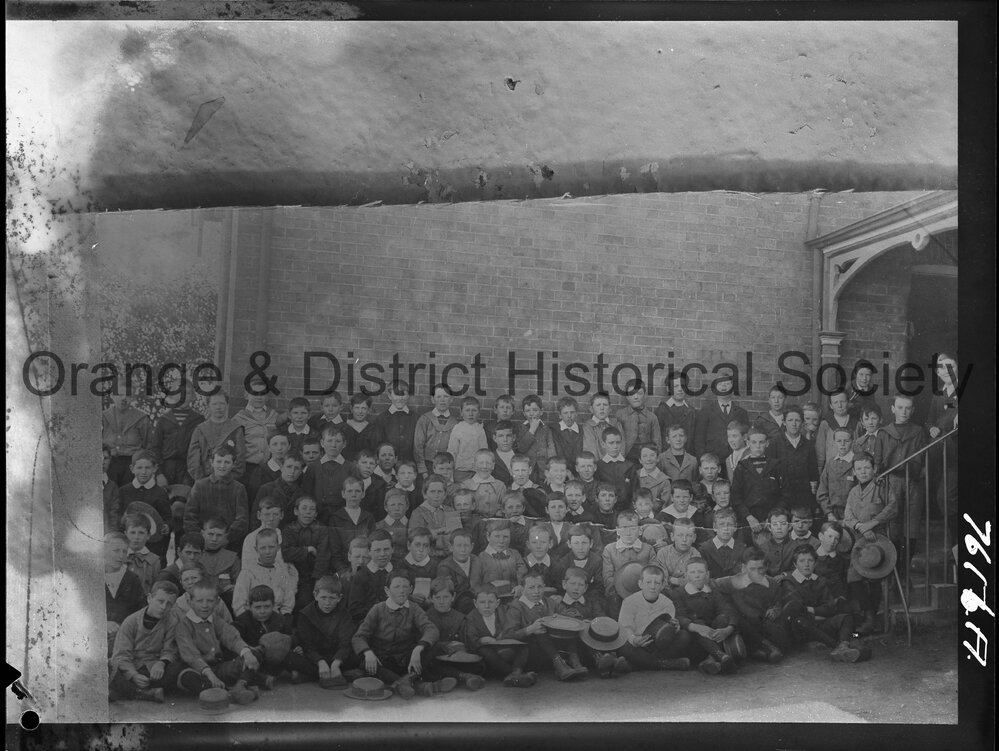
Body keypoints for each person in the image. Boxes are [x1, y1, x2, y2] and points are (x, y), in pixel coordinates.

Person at [351, 572, 455, 699]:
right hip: (383, 659)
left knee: (435, 647)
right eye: (397, 587)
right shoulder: (378, 609)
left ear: (410, 589)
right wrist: (368, 652)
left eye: (405, 587)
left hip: (407, 659)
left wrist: (418, 648)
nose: (401, 591)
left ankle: (402, 683)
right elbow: (359, 636)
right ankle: (420, 685)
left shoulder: (414, 608)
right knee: (365, 663)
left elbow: (430, 629)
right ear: (387, 590)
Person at [174, 577, 265, 701]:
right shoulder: (183, 625)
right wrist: (210, 674)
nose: (205, 605)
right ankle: (231, 692)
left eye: (210, 601)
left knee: (253, 653)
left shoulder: (215, 619)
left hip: (219, 667)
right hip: (198, 670)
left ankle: (240, 685)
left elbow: (231, 637)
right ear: (190, 602)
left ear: (217, 602)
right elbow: (191, 656)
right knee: (188, 678)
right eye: (199, 601)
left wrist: (247, 653)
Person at [779, 545, 867, 663]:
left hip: (819, 623)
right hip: (801, 628)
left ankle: (844, 645)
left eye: (810, 560)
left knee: (846, 617)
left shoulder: (820, 580)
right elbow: (797, 610)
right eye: (802, 561)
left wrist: (812, 610)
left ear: (815, 563)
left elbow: (830, 607)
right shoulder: (789, 581)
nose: (806, 564)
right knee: (800, 621)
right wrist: (821, 612)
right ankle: (836, 646)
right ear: (795, 564)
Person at [504, 568, 588, 681]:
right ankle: (560, 665)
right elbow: (507, 635)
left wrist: (562, 618)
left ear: (544, 586)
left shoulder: (550, 602)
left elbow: (569, 613)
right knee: (540, 629)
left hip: (553, 652)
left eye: (540, 587)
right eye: (531, 587)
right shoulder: (516, 607)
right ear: (523, 589)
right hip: (531, 654)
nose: (536, 591)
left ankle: (574, 663)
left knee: (568, 627)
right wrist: (530, 629)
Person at [872, 394, 927, 565]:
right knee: (893, 522)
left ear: (913, 410)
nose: (904, 411)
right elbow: (878, 461)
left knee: (912, 522)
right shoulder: (883, 433)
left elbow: (922, 458)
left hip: (913, 481)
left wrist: (916, 471)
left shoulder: (918, 431)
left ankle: (906, 566)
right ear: (893, 409)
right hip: (891, 481)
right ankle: (894, 565)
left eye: (908, 408)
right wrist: (878, 475)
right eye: (900, 407)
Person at [109, 580, 184, 703]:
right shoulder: (131, 621)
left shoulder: (172, 621)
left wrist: (162, 663)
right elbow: (121, 654)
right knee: (110, 668)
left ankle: (125, 690)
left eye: (169, 604)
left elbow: (170, 650)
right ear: (149, 598)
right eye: (160, 601)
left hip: (156, 670)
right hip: (132, 666)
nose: (164, 607)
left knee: (178, 669)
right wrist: (133, 675)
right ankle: (142, 693)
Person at [616, 565, 691, 671]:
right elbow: (625, 628)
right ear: (640, 584)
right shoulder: (629, 602)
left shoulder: (667, 603)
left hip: (659, 644)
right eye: (648, 582)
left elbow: (668, 630)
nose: (652, 586)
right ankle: (664, 664)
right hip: (638, 644)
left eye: (657, 583)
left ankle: (638, 665)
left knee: (684, 636)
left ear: (662, 585)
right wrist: (634, 639)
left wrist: (675, 628)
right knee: (623, 647)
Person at [672, 557, 739, 674]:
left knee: (723, 617)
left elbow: (729, 611)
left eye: (701, 572)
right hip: (693, 642)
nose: (697, 576)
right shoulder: (678, 593)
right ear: (686, 575)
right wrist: (697, 627)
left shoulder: (712, 592)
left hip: (714, 637)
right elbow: (679, 616)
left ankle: (710, 660)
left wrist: (728, 630)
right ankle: (719, 656)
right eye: (692, 572)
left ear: (707, 574)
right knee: (698, 622)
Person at [286, 575, 356, 687]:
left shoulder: (344, 614)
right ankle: (341, 675)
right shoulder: (305, 614)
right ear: (315, 595)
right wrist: (320, 662)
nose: (327, 603)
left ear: (339, 598)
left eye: (332, 598)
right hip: (314, 658)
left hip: (337, 656)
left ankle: (309, 676)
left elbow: (345, 643)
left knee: (361, 654)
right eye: (323, 597)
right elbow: (307, 645)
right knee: (288, 657)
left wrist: (336, 662)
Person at [724, 548, 789, 663]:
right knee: (735, 618)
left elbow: (778, 603)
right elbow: (712, 583)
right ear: (743, 568)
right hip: (745, 627)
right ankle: (768, 649)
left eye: (761, 569)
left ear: (766, 567)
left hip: (764, 624)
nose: (756, 573)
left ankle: (761, 652)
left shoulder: (772, 584)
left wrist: (775, 609)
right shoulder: (733, 582)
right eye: (752, 569)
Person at [464, 584, 534, 687]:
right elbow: (471, 641)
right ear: (475, 603)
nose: (487, 606)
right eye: (482, 602)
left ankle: (516, 672)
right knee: (484, 651)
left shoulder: (504, 612)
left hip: (506, 651)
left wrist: (502, 637)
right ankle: (514, 675)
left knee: (524, 646)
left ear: (497, 603)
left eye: (491, 602)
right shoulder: (471, 618)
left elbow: (512, 630)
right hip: (488, 661)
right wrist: (481, 640)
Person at [183, 444, 249, 553]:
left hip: (228, 544)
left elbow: (242, 520)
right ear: (211, 462)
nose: (222, 466)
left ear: (233, 464)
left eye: (227, 462)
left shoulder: (238, 488)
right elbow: (189, 517)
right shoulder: (200, 486)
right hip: (202, 543)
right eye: (219, 461)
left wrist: (226, 539)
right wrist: (201, 538)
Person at [423, 578, 485, 691]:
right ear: (431, 598)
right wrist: (445, 645)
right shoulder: (425, 617)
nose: (442, 602)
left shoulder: (460, 618)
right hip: (435, 657)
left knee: (479, 664)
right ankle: (465, 677)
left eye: (446, 597)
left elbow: (469, 640)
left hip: (456, 657)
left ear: (453, 597)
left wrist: (462, 648)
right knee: (430, 664)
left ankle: (457, 677)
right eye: (437, 598)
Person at [927, 352, 959, 546]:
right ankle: (954, 540)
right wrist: (931, 427)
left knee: (946, 497)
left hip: (957, 454)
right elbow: (930, 419)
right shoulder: (938, 395)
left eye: (951, 367)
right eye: (943, 368)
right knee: (942, 497)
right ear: (938, 373)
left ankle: (956, 541)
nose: (947, 371)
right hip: (940, 453)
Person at [118, 449, 173, 566]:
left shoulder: (160, 493)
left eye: (147, 468)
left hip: (153, 546)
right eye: (139, 468)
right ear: (132, 469)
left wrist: (167, 526)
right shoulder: (123, 491)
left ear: (155, 468)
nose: (143, 472)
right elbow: (118, 517)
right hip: (129, 545)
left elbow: (168, 518)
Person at [232, 585, 292, 688]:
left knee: (292, 656)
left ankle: (305, 673)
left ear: (273, 605)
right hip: (253, 660)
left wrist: (292, 645)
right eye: (258, 607)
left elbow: (289, 636)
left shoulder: (279, 620)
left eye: (267, 606)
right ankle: (252, 681)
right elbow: (234, 640)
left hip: (274, 661)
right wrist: (249, 650)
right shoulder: (242, 621)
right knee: (248, 660)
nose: (262, 611)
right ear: (249, 606)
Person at [731, 427, 783, 541]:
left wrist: (771, 518)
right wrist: (749, 517)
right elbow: (735, 497)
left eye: (761, 442)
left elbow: (785, 494)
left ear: (767, 443)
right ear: (748, 443)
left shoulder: (776, 466)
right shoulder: (741, 467)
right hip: (748, 521)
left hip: (772, 521)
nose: (758, 446)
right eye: (754, 442)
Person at [231, 528, 298, 617]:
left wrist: (283, 617)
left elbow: (288, 601)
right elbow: (238, 605)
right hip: (252, 620)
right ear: (256, 549)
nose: (267, 552)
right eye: (263, 548)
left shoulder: (282, 571)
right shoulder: (247, 573)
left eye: (271, 547)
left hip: (277, 618)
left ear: (278, 547)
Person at [281, 495, 331, 613]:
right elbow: (286, 553)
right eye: (304, 508)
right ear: (296, 511)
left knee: (306, 601)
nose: (308, 512)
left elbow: (323, 557)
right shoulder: (288, 530)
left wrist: (317, 580)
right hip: (291, 575)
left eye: (312, 509)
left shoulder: (321, 529)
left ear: (316, 514)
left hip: (311, 577)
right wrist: (307, 550)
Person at [601, 510, 654, 618]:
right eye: (624, 528)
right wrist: (621, 590)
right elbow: (608, 577)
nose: (628, 533)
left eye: (633, 528)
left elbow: (653, 573)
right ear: (617, 530)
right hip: (618, 592)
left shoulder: (648, 549)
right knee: (613, 599)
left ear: (639, 530)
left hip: (643, 590)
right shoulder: (610, 549)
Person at [151, 384, 204, 487]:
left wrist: (197, 473)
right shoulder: (163, 420)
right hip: (167, 467)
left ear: (193, 396)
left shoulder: (199, 420)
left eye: (187, 393)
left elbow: (203, 448)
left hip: (189, 468)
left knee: (185, 498)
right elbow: (155, 448)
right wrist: (159, 474)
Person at [187, 391, 246, 483]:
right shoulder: (200, 430)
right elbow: (193, 459)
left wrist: (231, 477)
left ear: (227, 405)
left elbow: (240, 456)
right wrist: (200, 479)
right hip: (204, 479)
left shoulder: (235, 429)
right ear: (208, 406)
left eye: (222, 403)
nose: (218, 407)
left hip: (229, 480)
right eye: (214, 404)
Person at [232, 384, 281, 494]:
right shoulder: (239, 418)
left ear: (267, 396)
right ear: (246, 395)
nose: (259, 397)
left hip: (270, 468)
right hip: (248, 468)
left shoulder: (274, 416)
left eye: (262, 393)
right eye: (254, 393)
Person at [105, 532, 146, 656]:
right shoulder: (92, 577)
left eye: (124, 551)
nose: (121, 555)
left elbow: (141, 612)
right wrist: (103, 623)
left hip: (124, 638)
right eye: (116, 551)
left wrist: (123, 627)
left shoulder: (132, 579)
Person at [302, 425, 353, 524]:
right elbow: (307, 493)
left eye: (338, 441)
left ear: (344, 444)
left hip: (343, 516)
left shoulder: (351, 468)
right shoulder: (313, 468)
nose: (333, 445)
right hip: (318, 517)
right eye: (329, 441)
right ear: (322, 443)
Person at [329, 475, 377, 574]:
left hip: (366, 568)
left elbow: (372, 547)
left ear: (363, 494)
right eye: (350, 491)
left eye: (358, 491)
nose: (353, 495)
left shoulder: (368, 518)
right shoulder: (336, 518)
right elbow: (335, 552)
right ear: (343, 494)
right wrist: (344, 572)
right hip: (343, 570)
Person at [348, 530, 397, 624]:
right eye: (377, 550)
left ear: (392, 549)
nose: (382, 554)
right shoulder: (361, 576)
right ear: (369, 552)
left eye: (386, 549)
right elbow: (355, 610)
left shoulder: (398, 571)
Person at [102, 393, 151, 486]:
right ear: (112, 396)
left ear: (132, 397)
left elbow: (148, 445)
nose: (123, 398)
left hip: (132, 464)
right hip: (110, 463)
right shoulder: (104, 416)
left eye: (127, 395)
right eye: (119, 394)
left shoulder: (141, 418)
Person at [694, 381, 749, 463]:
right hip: (713, 461)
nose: (724, 386)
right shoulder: (706, 411)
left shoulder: (741, 413)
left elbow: (746, 439)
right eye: (720, 384)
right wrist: (703, 460)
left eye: (727, 384)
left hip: (735, 460)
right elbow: (699, 439)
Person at [551, 524, 604, 604]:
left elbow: (598, 586)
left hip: (590, 599)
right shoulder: (563, 563)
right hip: (567, 600)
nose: (580, 547)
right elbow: (559, 586)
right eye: (576, 543)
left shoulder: (596, 561)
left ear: (591, 543)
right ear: (569, 544)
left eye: (584, 543)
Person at [414, 384, 459, 476]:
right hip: (427, 465)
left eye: (446, 396)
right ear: (433, 399)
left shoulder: (455, 422)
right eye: (438, 396)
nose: (442, 400)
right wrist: (422, 468)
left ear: (451, 399)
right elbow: (418, 445)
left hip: (445, 467)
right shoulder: (425, 419)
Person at [472, 519, 527, 594]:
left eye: (506, 537)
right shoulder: (479, 559)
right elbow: (475, 586)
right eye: (497, 536)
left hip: (514, 598)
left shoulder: (515, 554)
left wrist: (520, 586)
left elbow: (523, 575)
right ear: (488, 536)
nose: (501, 541)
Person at [199, 518, 241, 613]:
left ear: (225, 536)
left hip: (225, 602)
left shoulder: (232, 558)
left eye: (219, 535)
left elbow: (238, 583)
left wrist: (233, 587)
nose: (214, 539)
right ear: (202, 533)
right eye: (210, 534)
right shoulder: (196, 555)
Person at [436, 528, 482, 615]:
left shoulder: (476, 560)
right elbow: (445, 594)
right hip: (457, 607)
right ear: (451, 547)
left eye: (466, 546)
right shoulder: (445, 567)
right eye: (459, 545)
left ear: (472, 547)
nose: (463, 550)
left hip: (479, 599)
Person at [372, 380, 420, 463]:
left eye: (403, 394)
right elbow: (377, 444)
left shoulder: (416, 418)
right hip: (388, 465)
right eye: (396, 394)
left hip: (410, 466)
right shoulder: (382, 418)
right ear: (390, 396)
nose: (400, 398)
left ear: (408, 395)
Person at [815, 390, 860, 475]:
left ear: (848, 402)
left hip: (851, 469)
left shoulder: (856, 424)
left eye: (842, 402)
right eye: (836, 402)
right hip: (832, 468)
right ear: (831, 405)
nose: (839, 405)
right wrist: (820, 470)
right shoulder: (826, 423)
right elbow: (820, 450)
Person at [616, 379, 662, 463]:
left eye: (639, 393)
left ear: (645, 395)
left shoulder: (652, 417)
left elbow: (657, 442)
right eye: (632, 394)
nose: (636, 397)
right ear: (627, 397)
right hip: (625, 458)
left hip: (645, 460)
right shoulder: (620, 414)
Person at [816, 428, 856, 522]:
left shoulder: (857, 462)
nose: (842, 444)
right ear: (834, 442)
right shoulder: (830, 463)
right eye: (839, 441)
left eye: (846, 441)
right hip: (832, 514)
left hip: (852, 514)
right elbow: (822, 492)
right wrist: (829, 513)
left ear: (852, 442)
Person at [244, 433, 291, 512]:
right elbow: (253, 501)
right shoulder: (259, 472)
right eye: (275, 444)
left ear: (289, 446)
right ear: (269, 447)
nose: (279, 448)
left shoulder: (293, 470)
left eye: (283, 444)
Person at [253, 452, 306, 522]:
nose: (292, 471)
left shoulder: (303, 493)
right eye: (289, 467)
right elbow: (255, 518)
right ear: (281, 467)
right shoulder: (266, 489)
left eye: (296, 468)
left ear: (300, 472)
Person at [447, 396, 489, 482]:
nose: (470, 414)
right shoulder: (458, 428)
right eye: (467, 410)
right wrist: (450, 473)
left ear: (479, 413)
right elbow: (452, 451)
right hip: (461, 471)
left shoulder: (480, 429)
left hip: (477, 471)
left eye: (474, 410)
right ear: (461, 413)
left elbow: (484, 451)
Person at [696, 508, 746, 579]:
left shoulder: (742, 548)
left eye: (730, 524)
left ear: (735, 527)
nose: (726, 528)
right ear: (715, 527)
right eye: (722, 524)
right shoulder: (704, 549)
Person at [655, 372, 698, 453]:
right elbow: (657, 439)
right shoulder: (661, 411)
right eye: (676, 386)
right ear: (668, 389)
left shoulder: (692, 412)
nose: (680, 389)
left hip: (687, 458)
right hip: (666, 458)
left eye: (683, 386)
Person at [595, 427, 638, 508]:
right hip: (604, 508)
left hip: (626, 508)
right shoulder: (599, 466)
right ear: (603, 444)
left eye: (618, 442)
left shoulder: (629, 466)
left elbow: (635, 490)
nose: (615, 446)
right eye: (611, 443)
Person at [653, 517, 698, 594]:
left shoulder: (695, 554)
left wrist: (676, 581)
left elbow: (696, 581)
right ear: (672, 537)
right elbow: (662, 580)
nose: (684, 539)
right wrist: (683, 581)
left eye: (689, 535)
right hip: (667, 594)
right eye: (680, 535)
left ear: (694, 538)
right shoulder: (663, 553)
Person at [240, 497, 286, 570]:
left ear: (281, 515)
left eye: (275, 514)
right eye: (266, 514)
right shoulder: (251, 538)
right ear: (259, 515)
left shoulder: (285, 536)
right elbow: (247, 567)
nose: (271, 518)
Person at [460, 450, 507, 519]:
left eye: (488, 463)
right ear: (474, 465)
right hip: (473, 522)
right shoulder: (466, 485)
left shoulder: (500, 485)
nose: (484, 466)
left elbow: (504, 505)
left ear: (493, 466)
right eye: (481, 463)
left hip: (495, 521)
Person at [751, 507, 796, 578]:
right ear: (769, 527)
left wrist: (785, 575)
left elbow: (799, 569)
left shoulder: (796, 546)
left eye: (783, 524)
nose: (779, 527)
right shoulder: (763, 547)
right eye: (775, 524)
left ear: (789, 526)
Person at [122, 513, 161, 594]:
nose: (136, 537)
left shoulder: (154, 560)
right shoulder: (120, 555)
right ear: (126, 534)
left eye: (141, 533)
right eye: (132, 532)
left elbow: (155, 587)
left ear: (148, 536)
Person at [580, 392, 622, 460]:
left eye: (605, 405)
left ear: (610, 408)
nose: (602, 408)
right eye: (598, 405)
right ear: (591, 409)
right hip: (599, 466)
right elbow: (591, 451)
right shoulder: (588, 426)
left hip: (616, 464)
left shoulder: (616, 424)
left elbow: (622, 448)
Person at [376, 488, 411, 561]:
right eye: (392, 505)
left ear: (407, 506)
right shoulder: (378, 527)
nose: (397, 508)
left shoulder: (413, 525)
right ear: (386, 507)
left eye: (400, 504)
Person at [551, 396, 585, 469]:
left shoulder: (582, 430)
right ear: (560, 415)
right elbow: (558, 453)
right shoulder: (554, 430)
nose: (569, 416)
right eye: (565, 413)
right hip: (561, 469)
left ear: (576, 413)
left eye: (572, 412)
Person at [343, 394, 378, 462]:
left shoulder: (373, 430)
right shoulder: (344, 427)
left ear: (369, 410)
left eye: (364, 408)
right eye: (357, 407)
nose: (360, 411)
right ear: (351, 409)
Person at [637, 444, 672, 510]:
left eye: (652, 455)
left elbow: (666, 507)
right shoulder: (635, 476)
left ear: (658, 458)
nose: (648, 459)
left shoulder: (664, 481)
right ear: (640, 460)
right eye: (644, 456)